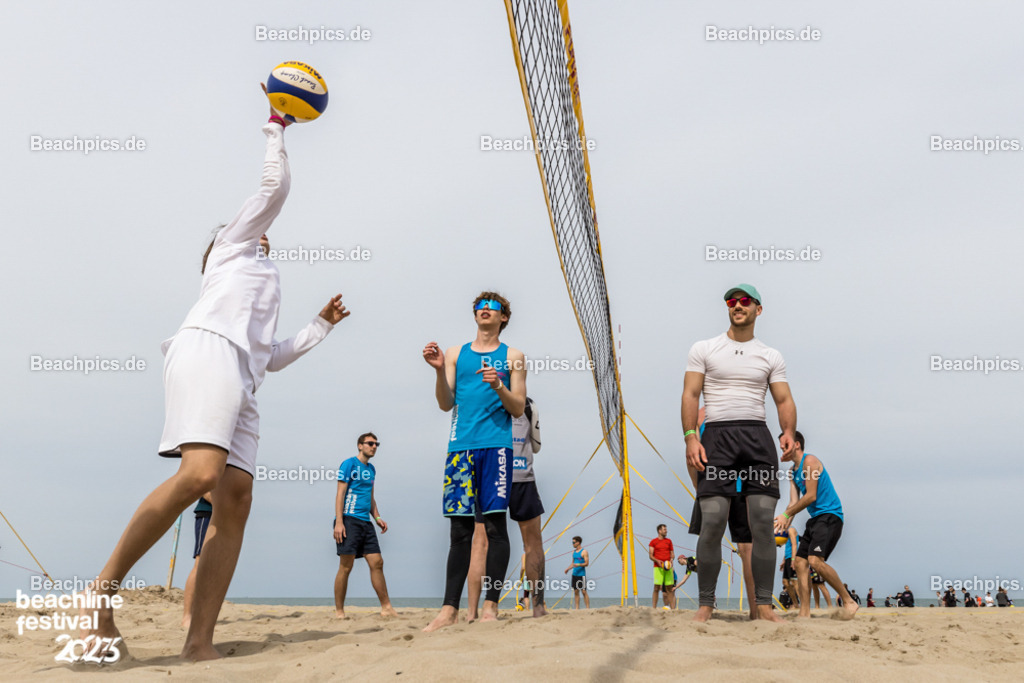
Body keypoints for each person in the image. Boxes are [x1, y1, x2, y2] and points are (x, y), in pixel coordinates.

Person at [87, 95, 348, 661]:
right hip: (208, 350)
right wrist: (277, 125)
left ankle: (198, 642)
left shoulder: (264, 278)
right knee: (201, 473)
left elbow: (270, 356)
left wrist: (320, 326)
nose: (264, 235)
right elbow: (274, 189)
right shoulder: (232, 249)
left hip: (243, 376)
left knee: (236, 500)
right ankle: (100, 593)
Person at [682, 284, 797, 623]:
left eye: (745, 301)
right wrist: (691, 437)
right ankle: (706, 605)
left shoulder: (770, 355)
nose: (737, 305)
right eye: (732, 301)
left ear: (758, 309)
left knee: (762, 524)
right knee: (713, 521)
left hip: (756, 438)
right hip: (717, 438)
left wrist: (788, 432)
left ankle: (763, 606)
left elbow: (783, 399)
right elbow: (690, 395)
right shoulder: (704, 348)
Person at [422, 293, 526, 631]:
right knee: (459, 531)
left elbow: (518, 408)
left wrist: (498, 385)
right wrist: (439, 371)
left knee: (495, 527)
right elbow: (445, 404)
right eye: (480, 306)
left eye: (492, 307)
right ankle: (448, 610)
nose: (485, 310)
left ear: (503, 317)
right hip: (460, 448)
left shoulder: (513, 357)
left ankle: (490, 607)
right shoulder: (455, 353)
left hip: (496, 447)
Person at [466, 396, 546, 619]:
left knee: (480, 544)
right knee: (532, 543)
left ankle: (473, 612)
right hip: (522, 475)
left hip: (490, 475)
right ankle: (538, 607)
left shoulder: (483, 399)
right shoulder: (528, 404)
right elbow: (536, 446)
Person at [774, 431, 857, 619]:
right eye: (781, 447)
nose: (782, 449)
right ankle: (804, 612)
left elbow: (811, 496)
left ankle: (848, 600)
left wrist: (787, 514)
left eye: (785, 445)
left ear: (796, 444)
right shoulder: (792, 472)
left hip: (830, 516)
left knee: (814, 561)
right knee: (800, 563)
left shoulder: (810, 461)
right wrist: (781, 524)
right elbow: (793, 503)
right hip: (815, 520)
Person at [687, 407, 757, 619]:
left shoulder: (703, 413)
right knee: (737, 546)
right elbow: (692, 455)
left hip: (724, 484)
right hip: (727, 484)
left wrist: (699, 488)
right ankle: (754, 612)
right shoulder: (706, 412)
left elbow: (691, 457)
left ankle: (709, 606)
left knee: (718, 541)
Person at [333, 433, 396, 619]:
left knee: (377, 562)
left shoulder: (371, 469)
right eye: (370, 443)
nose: (374, 446)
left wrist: (377, 518)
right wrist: (339, 522)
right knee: (346, 566)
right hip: (349, 520)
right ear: (360, 445)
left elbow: (370, 497)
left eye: (376, 444)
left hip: (366, 523)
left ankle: (386, 607)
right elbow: (340, 494)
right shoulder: (349, 464)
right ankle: (339, 611)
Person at [181, 493, 213, 629]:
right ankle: (187, 616)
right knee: (200, 564)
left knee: (215, 566)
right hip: (208, 513)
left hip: (225, 516)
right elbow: (205, 491)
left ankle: (204, 614)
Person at [649, 525, 675, 609]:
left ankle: (673, 609)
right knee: (656, 588)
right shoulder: (653, 542)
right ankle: (654, 608)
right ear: (659, 531)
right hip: (658, 567)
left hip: (668, 567)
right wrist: (657, 561)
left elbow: (672, 554)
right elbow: (650, 555)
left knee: (669, 589)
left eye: (666, 529)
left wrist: (671, 559)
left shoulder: (669, 541)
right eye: (664, 529)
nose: (666, 531)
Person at [778, 526, 801, 610]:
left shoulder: (791, 529)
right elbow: (788, 548)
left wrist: (793, 560)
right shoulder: (786, 532)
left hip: (792, 558)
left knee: (795, 582)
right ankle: (796, 605)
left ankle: (804, 605)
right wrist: (784, 561)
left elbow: (794, 545)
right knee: (785, 582)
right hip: (788, 558)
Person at [565, 536, 590, 609]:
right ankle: (577, 608)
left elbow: (587, 563)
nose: (572, 544)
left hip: (581, 575)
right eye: (572, 542)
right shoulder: (573, 552)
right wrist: (568, 569)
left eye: (574, 542)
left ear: (578, 542)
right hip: (574, 574)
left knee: (584, 591)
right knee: (576, 592)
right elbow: (573, 563)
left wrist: (578, 564)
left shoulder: (584, 552)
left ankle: (587, 608)